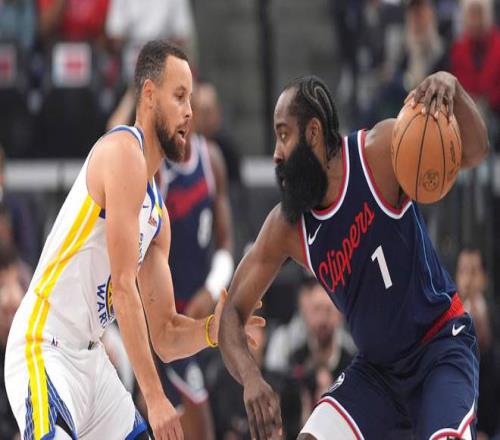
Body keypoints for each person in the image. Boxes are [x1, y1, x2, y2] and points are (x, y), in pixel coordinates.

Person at [4, 40, 262, 440]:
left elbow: (166, 335)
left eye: (191, 99)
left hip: (91, 359)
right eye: (179, 96)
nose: (190, 111)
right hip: (45, 347)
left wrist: (214, 329)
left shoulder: (157, 216)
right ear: (149, 95)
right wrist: (155, 397)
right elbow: (124, 287)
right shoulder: (123, 152)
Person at [219, 71, 489, 440]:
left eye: (284, 135)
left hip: (440, 348)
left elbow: (475, 150)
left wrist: (451, 87)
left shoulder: (379, 152)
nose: (276, 154)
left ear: (313, 133)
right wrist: (251, 378)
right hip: (379, 374)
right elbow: (231, 314)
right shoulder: (287, 226)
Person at [156, 87, 235, 440]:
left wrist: (211, 289)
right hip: (167, 316)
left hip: (203, 308)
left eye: (197, 108)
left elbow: (226, 242)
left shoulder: (211, 159)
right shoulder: (157, 169)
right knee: (194, 423)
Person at [456, 246, 500, 439]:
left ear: (484, 278)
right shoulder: (450, 321)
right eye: (463, 271)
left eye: (473, 272)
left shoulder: (493, 317)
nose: (468, 280)